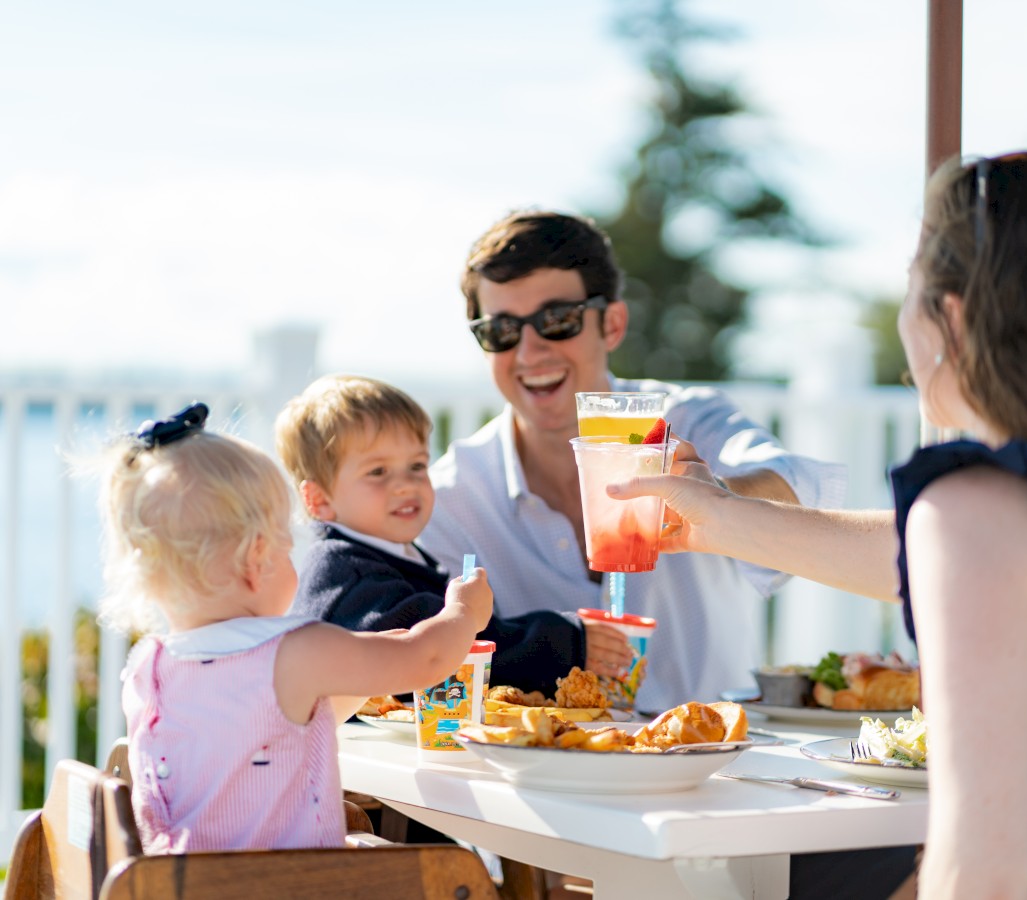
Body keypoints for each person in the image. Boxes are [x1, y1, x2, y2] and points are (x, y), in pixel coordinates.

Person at [611, 150, 1027, 898]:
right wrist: (720, 519)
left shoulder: (975, 515)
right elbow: (932, 556)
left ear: (950, 318)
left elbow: (979, 876)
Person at [419, 210, 847, 712]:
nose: (530, 351)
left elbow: (799, 485)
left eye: (558, 320)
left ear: (613, 324)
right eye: (502, 331)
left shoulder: (685, 418)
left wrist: (719, 501)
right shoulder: (450, 496)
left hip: (712, 769)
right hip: (544, 775)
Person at [99, 402, 491, 853]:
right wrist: (462, 611)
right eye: (287, 549)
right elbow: (430, 659)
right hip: (288, 885)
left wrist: (361, 669)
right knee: (452, 868)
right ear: (256, 559)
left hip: (185, 886)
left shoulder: (148, 666)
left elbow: (263, 722)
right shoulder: (296, 649)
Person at [276, 373, 624, 696]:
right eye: (378, 471)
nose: (405, 484)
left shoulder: (394, 555)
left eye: (416, 466)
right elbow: (439, 654)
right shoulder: (344, 576)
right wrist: (562, 643)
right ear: (319, 499)